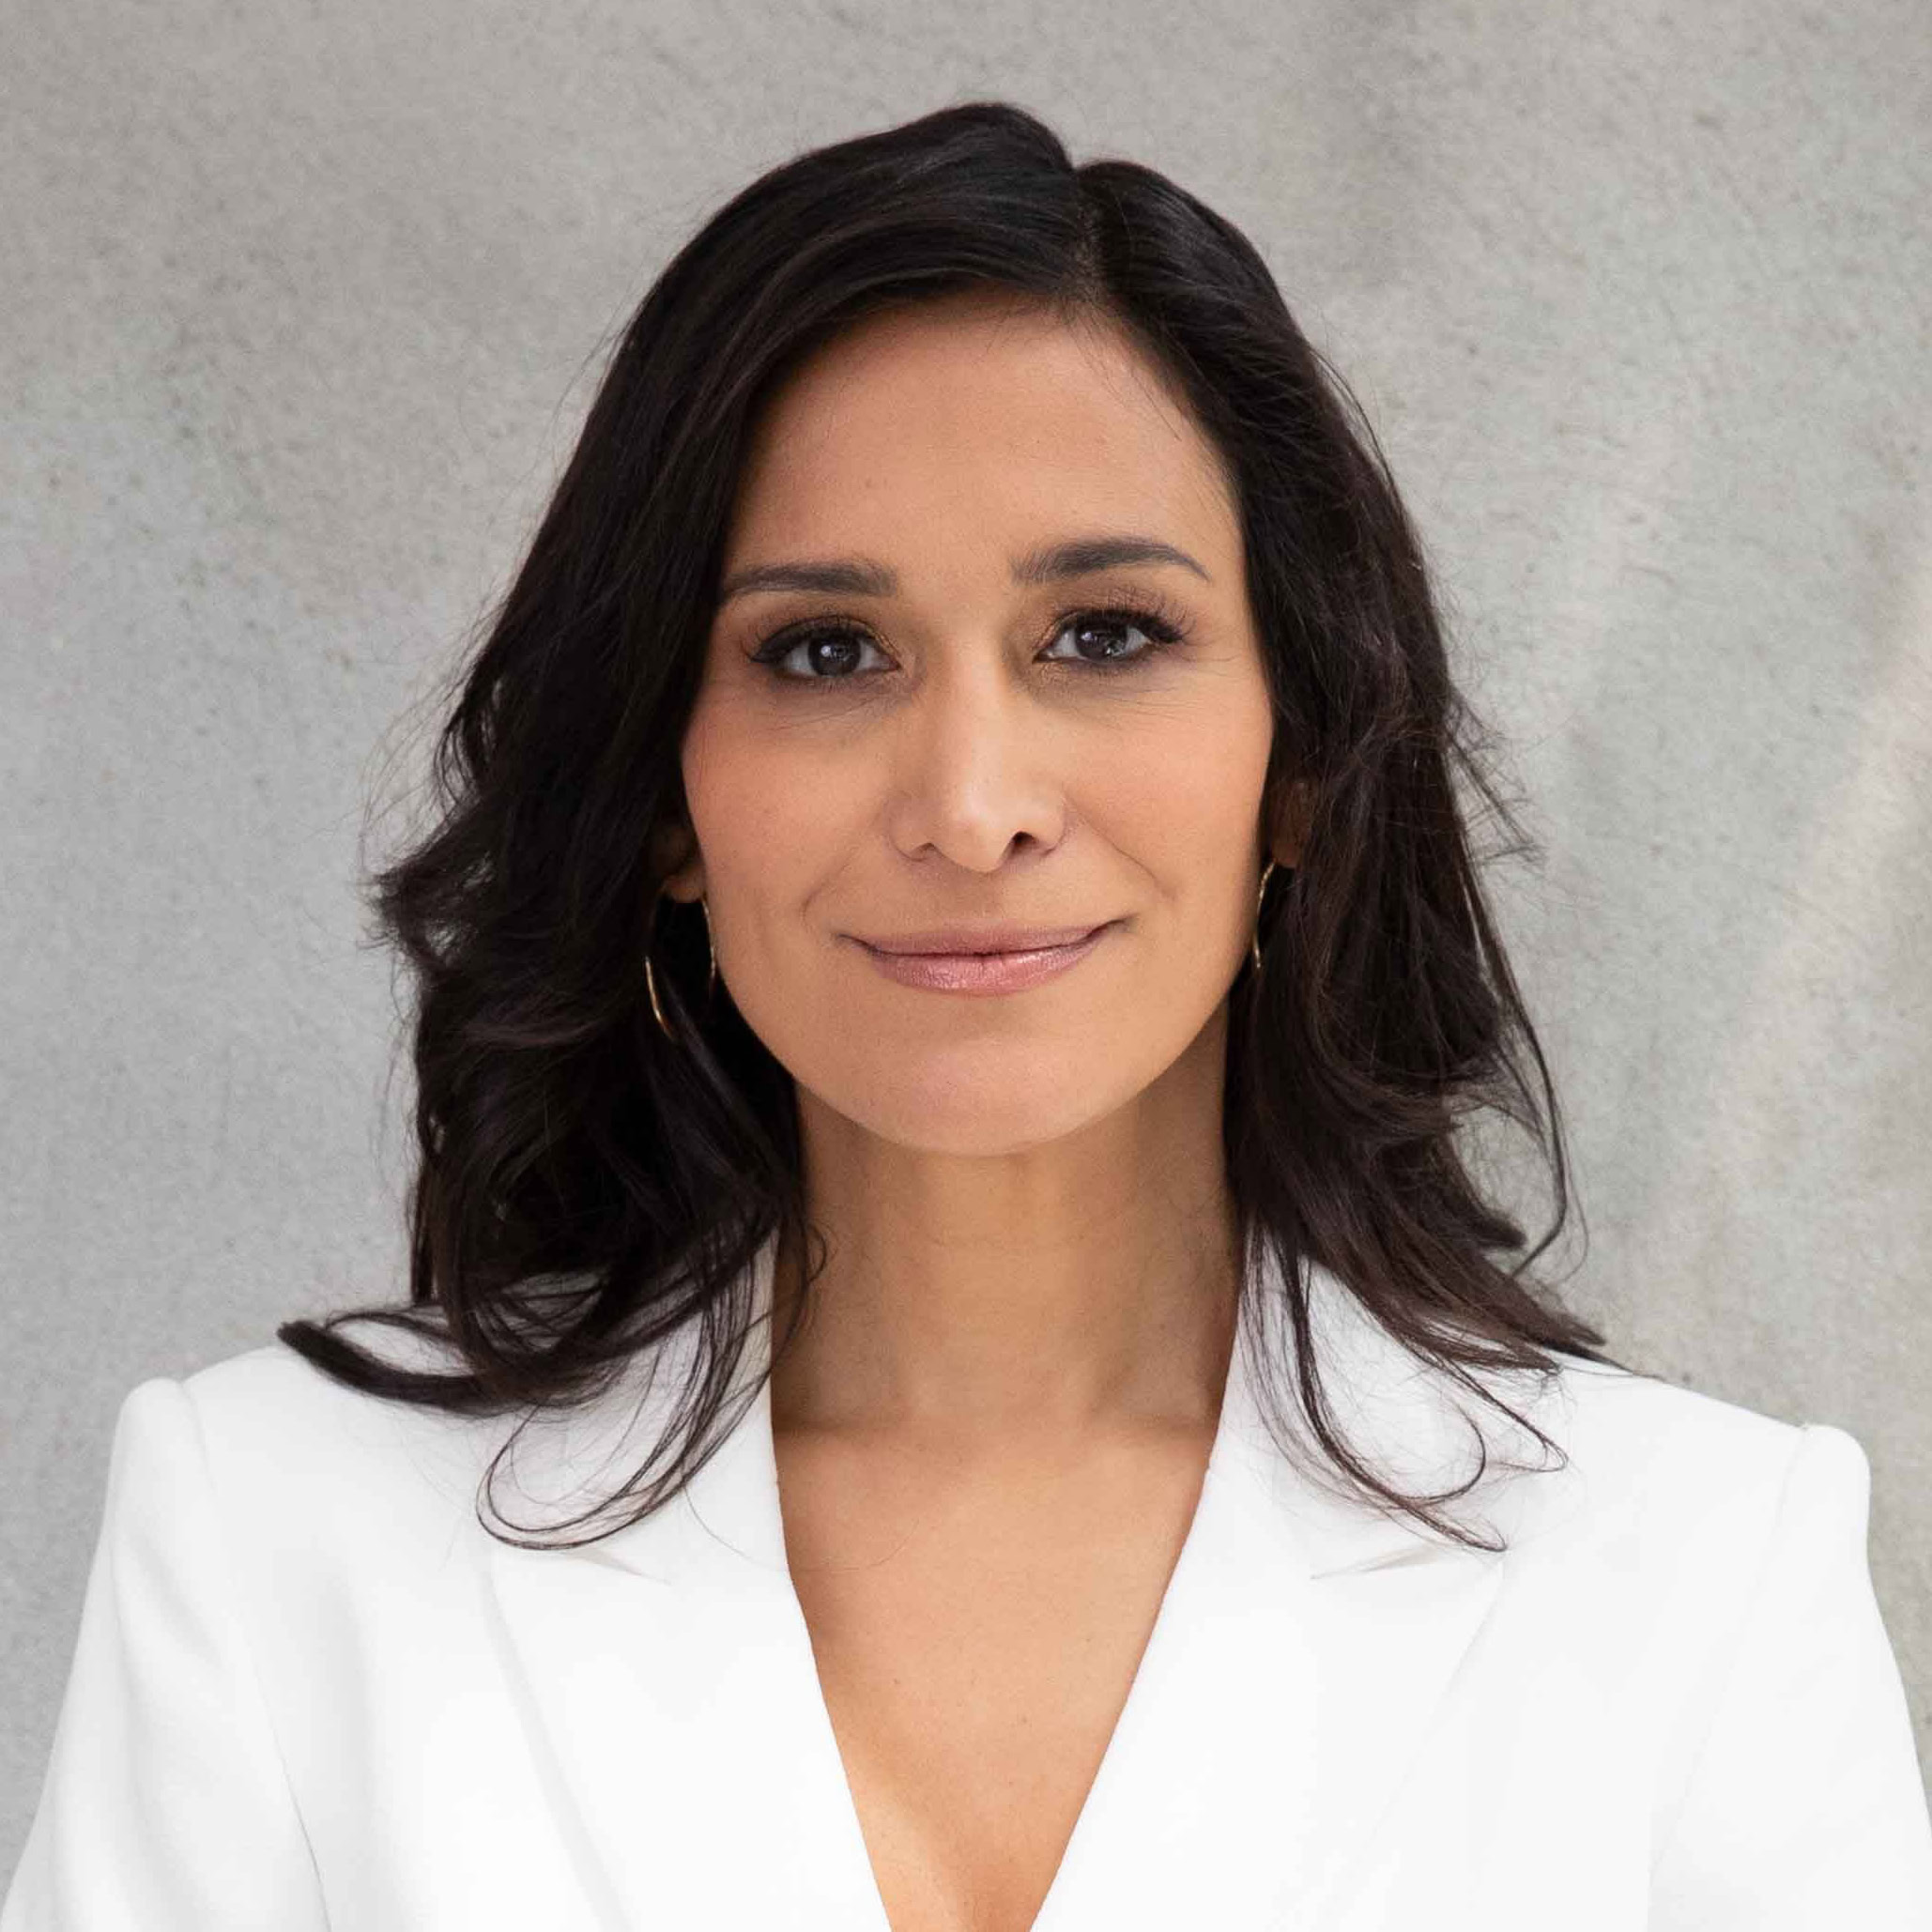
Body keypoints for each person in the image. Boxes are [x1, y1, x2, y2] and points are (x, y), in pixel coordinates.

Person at [6, 100, 1929, 1932]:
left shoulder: (1696, 1578)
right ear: (667, 797)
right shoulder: (274, 1542)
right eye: (825, 652)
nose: (973, 801)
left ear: (1304, 764)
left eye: (1106, 635)